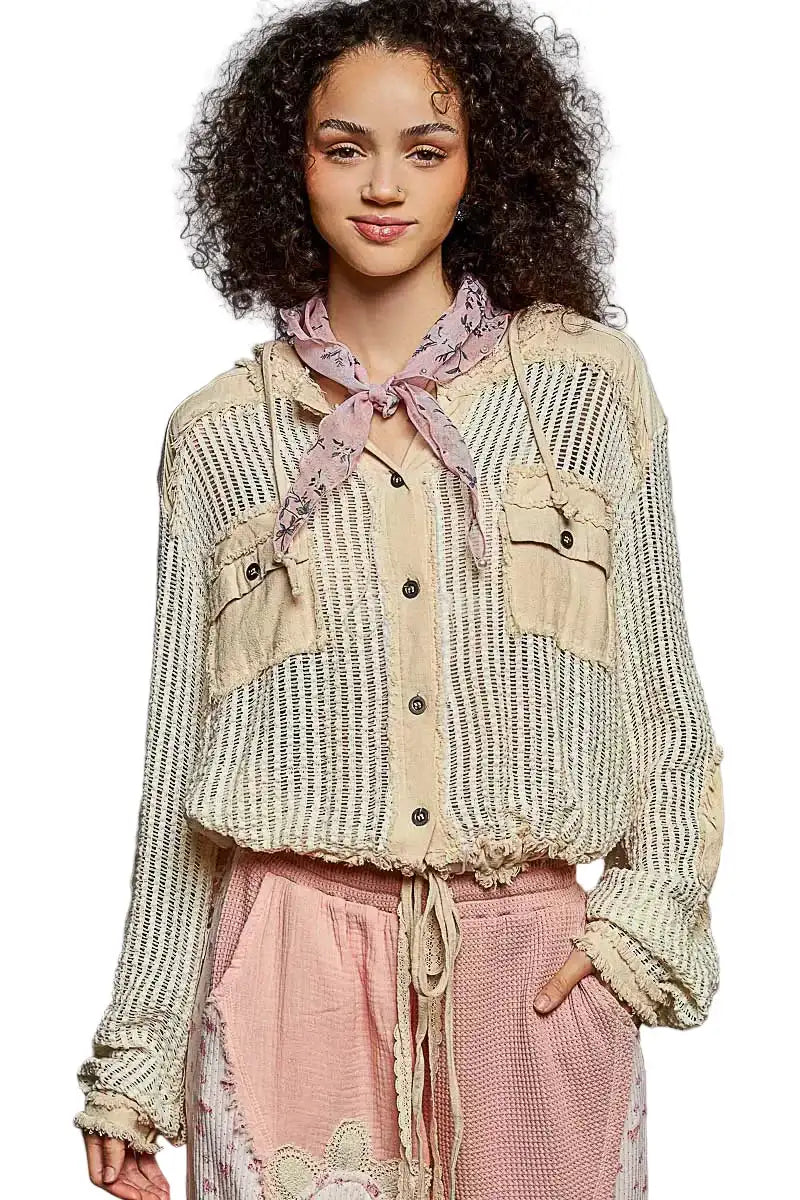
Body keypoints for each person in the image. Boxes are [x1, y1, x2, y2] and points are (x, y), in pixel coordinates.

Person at [74, 3, 725, 1198]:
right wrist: (138, 1060)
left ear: (481, 167)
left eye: (425, 149)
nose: (383, 186)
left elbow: (664, 713)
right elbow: (177, 781)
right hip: (286, 977)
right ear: (290, 167)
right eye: (344, 148)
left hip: (531, 976)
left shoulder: (584, 391)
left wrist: (637, 931)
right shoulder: (218, 439)